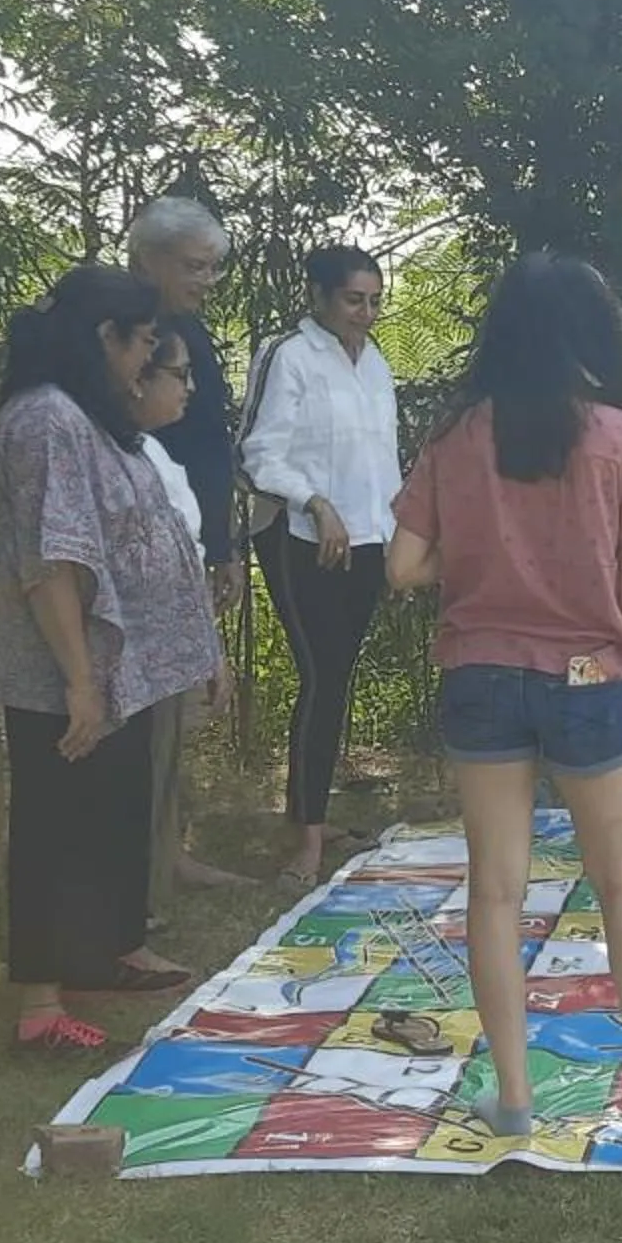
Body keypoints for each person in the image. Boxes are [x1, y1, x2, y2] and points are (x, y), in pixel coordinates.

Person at [385, 253, 622, 1137]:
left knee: (495, 889)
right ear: (590, 334)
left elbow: (404, 567)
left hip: (481, 673)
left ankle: (514, 1098)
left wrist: (488, 549)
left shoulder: (455, 436)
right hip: (590, 681)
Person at [0, 265, 220, 1056]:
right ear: (104, 338)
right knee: (55, 827)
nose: (145, 360)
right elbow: (53, 562)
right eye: (143, 343)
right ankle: (39, 1006)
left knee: (110, 815)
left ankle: (103, 954)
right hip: (60, 669)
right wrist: (81, 679)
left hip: (111, 666)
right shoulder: (46, 419)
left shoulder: (83, 414)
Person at [240, 244, 401, 890]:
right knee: (320, 675)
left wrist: (394, 543)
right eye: (352, 300)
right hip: (299, 535)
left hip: (366, 542)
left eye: (373, 301)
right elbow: (257, 454)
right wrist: (314, 501)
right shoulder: (288, 356)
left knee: (338, 676)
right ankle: (305, 836)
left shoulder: (376, 365)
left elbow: (382, 463)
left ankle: (310, 811)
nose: (365, 313)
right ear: (318, 296)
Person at [124, 193, 246, 891]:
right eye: (193, 266)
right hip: (144, 540)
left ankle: (168, 847)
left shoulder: (187, 334)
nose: (204, 280)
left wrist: (221, 547)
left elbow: (207, 445)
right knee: (151, 706)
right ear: (148, 258)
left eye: (212, 268)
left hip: (194, 531)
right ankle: (145, 857)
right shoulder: (125, 332)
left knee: (179, 704)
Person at [130, 332, 236, 906]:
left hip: (174, 632)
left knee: (164, 761)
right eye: (179, 374)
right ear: (138, 377)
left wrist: (207, 643)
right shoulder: (116, 453)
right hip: (137, 640)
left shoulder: (155, 450)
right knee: (139, 767)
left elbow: (186, 551)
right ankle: (137, 902)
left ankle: (164, 868)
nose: (190, 388)